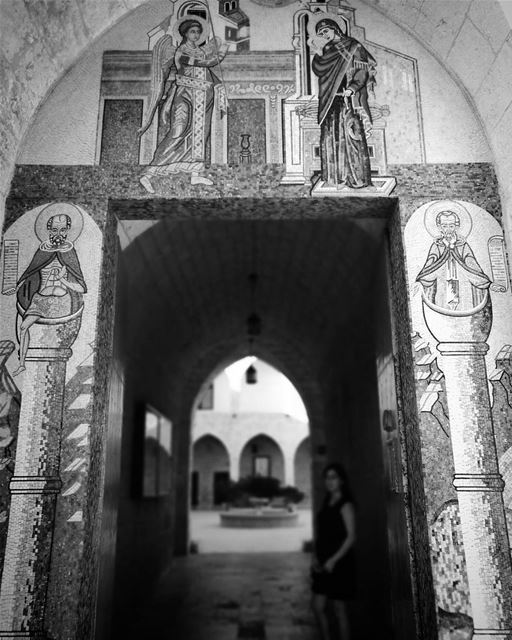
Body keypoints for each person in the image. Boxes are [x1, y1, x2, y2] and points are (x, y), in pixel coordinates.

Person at [138, 18, 228, 192]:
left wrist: (219, 87)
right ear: (185, 33)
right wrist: (222, 51)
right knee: (178, 131)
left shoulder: (200, 51)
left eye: (198, 31)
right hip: (184, 95)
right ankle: (148, 174)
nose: (196, 35)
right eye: (192, 31)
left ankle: (195, 174)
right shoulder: (181, 51)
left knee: (200, 133)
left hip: (203, 97)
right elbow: (205, 63)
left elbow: (207, 71)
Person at [5, 213, 86, 376]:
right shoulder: (42, 251)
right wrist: (16, 286)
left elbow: (81, 288)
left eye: (63, 230)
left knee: (54, 345)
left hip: (61, 302)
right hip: (40, 300)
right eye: (55, 229)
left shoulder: (69, 252)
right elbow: (30, 272)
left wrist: (64, 281)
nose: (59, 234)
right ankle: (22, 363)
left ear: (68, 231)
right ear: (48, 230)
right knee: (23, 326)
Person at [312, 18, 376, 189]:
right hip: (330, 99)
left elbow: (362, 69)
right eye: (320, 33)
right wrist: (318, 52)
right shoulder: (326, 49)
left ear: (334, 29)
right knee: (331, 137)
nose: (324, 35)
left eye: (325, 31)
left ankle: (357, 178)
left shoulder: (353, 45)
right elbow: (319, 70)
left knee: (351, 136)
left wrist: (353, 88)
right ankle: (335, 178)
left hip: (348, 99)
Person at [416, 210, 496, 311]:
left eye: (451, 226)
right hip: (442, 281)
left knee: (464, 305)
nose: (448, 229)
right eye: (445, 226)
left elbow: (470, 260)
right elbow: (431, 261)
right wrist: (422, 278)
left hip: (463, 281)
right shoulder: (437, 245)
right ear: (440, 227)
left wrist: (483, 280)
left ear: (456, 227)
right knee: (442, 304)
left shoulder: (462, 245)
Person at [311, 462, 356, 640]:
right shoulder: (327, 502)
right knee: (317, 607)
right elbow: (321, 534)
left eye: (333, 477)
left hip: (340, 562)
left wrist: (333, 560)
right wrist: (315, 556)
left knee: (339, 609)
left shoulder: (346, 505)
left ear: (341, 481)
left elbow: (351, 537)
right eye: (327, 477)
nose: (329, 481)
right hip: (323, 561)